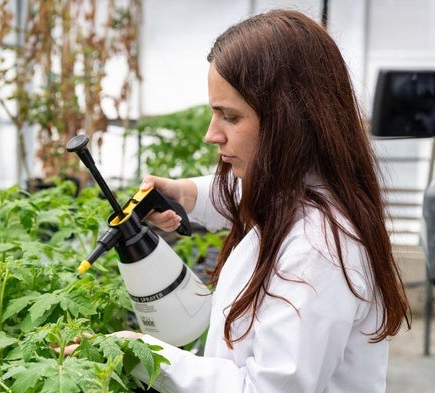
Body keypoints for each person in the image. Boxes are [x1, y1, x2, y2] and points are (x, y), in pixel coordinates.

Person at [67, 9, 411, 392]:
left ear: (290, 120)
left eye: (230, 116)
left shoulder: (318, 249)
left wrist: (143, 354)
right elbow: (248, 193)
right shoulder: (299, 189)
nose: (211, 134)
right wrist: (187, 193)